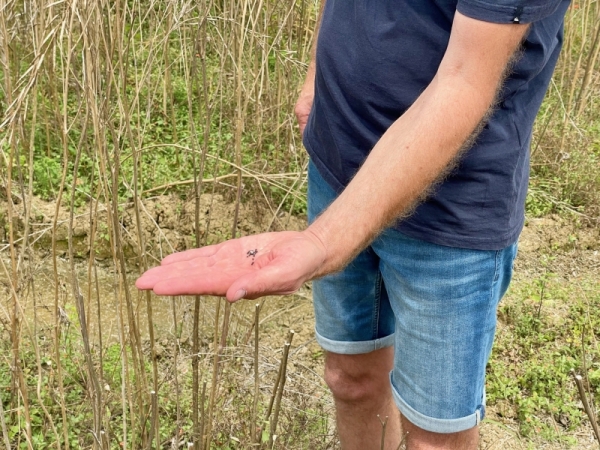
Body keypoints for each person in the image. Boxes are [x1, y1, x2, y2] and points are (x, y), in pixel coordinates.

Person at [137, 0, 570, 448]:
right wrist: (315, 77)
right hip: (337, 161)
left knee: (436, 438)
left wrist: (325, 239)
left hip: (451, 215)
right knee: (350, 377)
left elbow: (464, 81)